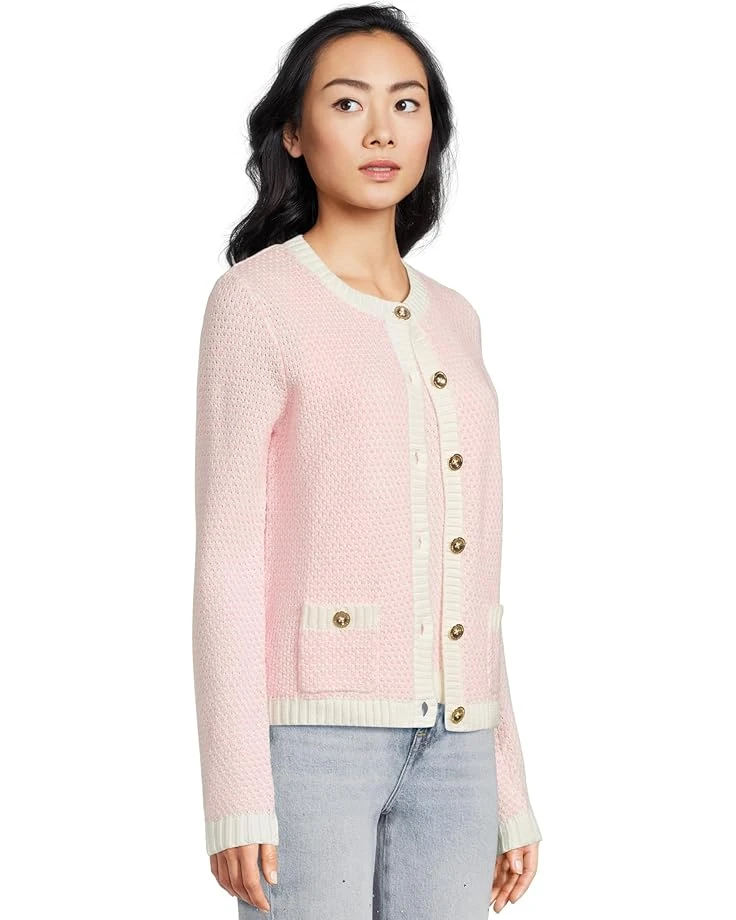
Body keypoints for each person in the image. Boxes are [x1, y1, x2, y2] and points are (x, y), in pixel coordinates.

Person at [192, 4, 542, 917]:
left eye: (407, 103)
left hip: (459, 747)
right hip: (313, 746)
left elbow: (473, 572)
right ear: (294, 133)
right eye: (348, 103)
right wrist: (236, 788)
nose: (382, 130)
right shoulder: (256, 302)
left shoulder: (457, 318)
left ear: (433, 130)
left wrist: (508, 786)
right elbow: (228, 557)